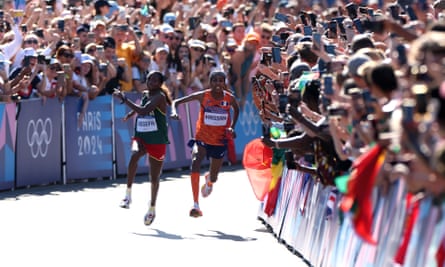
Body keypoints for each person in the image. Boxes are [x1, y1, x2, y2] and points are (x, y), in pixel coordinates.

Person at [170, 70, 239, 217]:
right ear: (210, 82)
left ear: (225, 83)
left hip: (219, 140)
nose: (218, 84)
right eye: (214, 80)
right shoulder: (203, 95)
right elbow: (176, 101)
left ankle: (209, 181)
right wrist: (174, 111)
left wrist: (232, 126)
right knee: (195, 161)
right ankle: (195, 204)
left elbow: (237, 110)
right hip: (202, 138)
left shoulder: (229, 98)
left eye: (221, 80)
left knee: (214, 176)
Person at [114, 71, 172, 226]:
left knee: (154, 177)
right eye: (149, 79)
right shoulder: (146, 93)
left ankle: (152, 207)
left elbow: (144, 110)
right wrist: (131, 114)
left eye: (155, 80)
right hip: (141, 135)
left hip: (157, 139)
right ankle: (128, 195)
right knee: (134, 155)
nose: (152, 81)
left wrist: (125, 99)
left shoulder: (160, 96)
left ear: (160, 84)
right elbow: (141, 107)